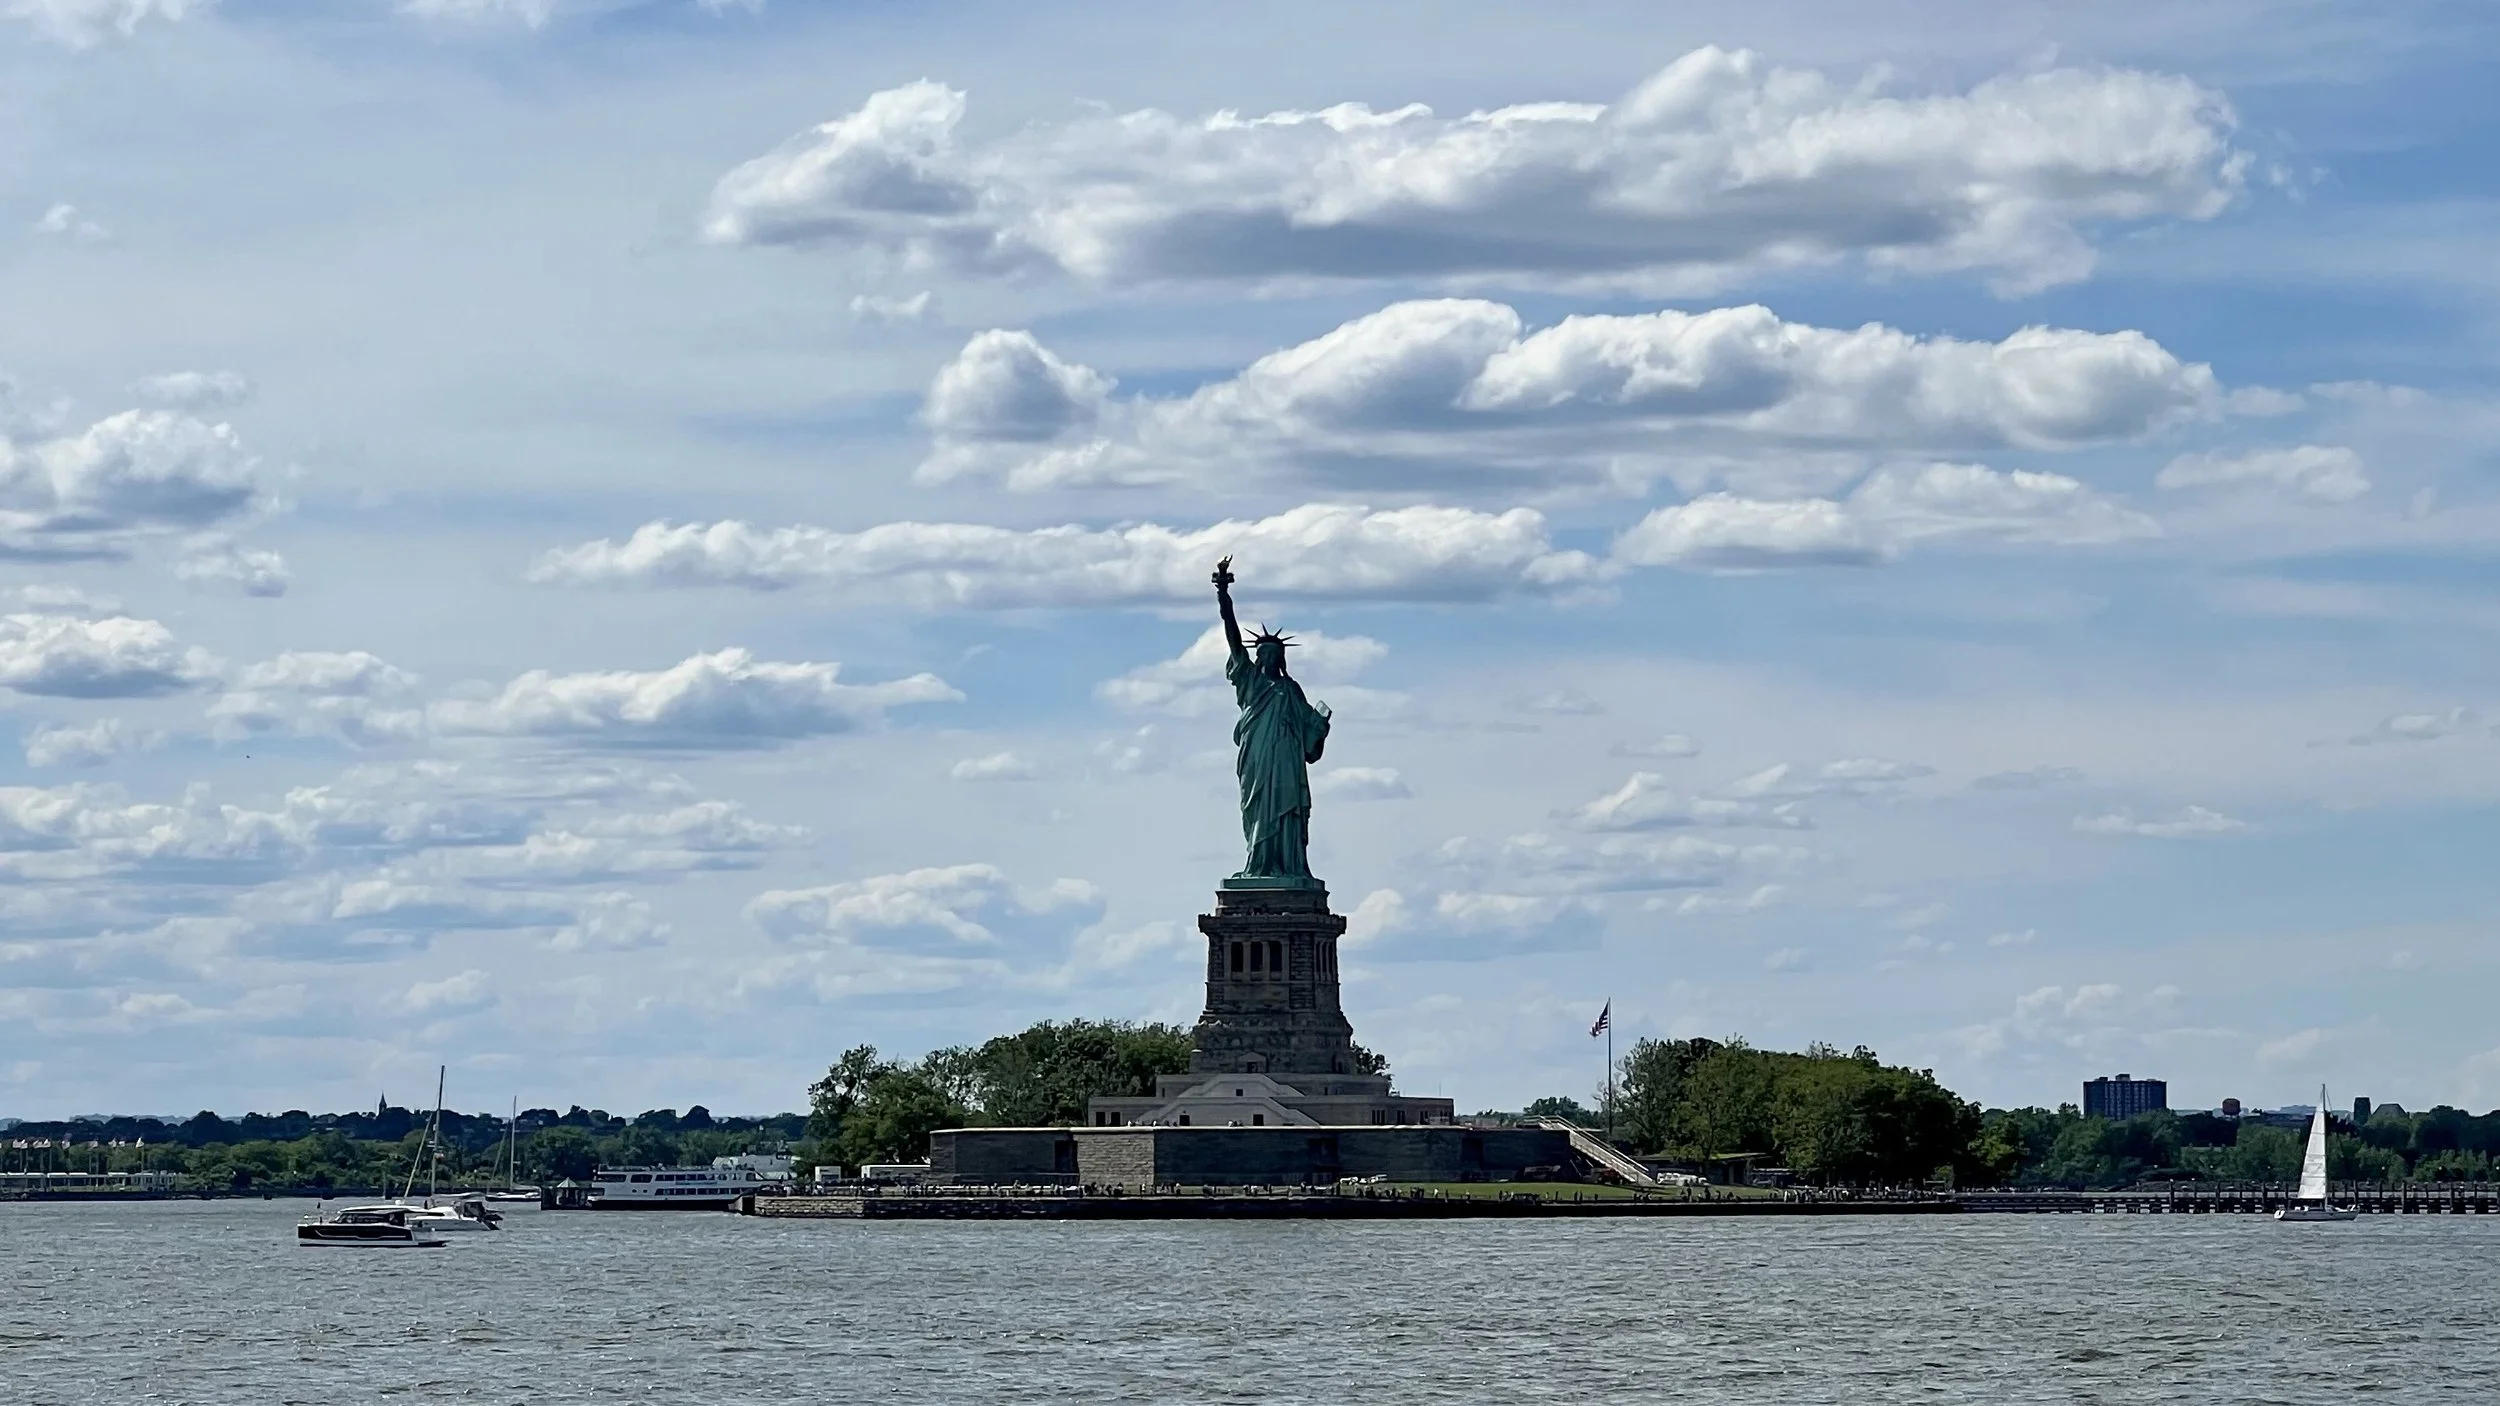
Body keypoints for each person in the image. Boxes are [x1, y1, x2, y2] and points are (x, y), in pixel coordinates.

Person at [1212, 556, 1331, 881]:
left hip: (1287, 761)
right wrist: (1223, 593)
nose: (1267, 657)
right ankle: (1259, 864)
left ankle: (1289, 867)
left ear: (1281, 659)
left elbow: (1311, 734)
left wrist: (1320, 725)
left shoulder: (1291, 689)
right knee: (1258, 808)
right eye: (1262, 653)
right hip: (1258, 758)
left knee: (1288, 811)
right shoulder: (1249, 680)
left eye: (1274, 654)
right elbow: (1233, 637)